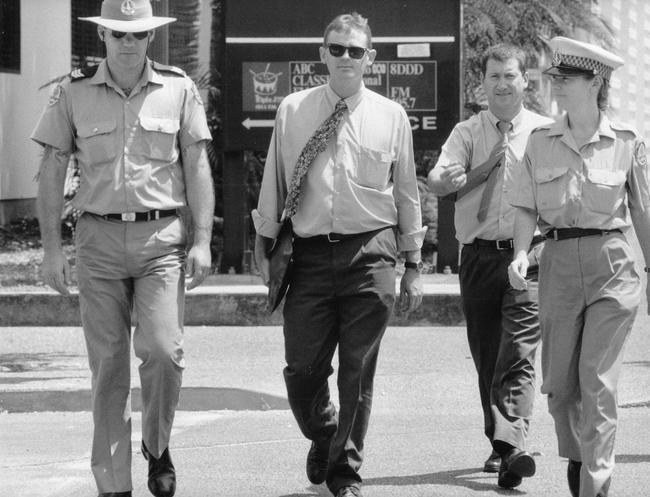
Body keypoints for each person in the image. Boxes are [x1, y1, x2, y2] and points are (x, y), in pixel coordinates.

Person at [31, 1, 214, 496]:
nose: (127, 43)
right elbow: (51, 170)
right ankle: (114, 485)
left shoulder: (178, 89)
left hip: (161, 243)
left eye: (136, 35)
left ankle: (157, 446)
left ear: (150, 38)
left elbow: (196, 164)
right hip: (98, 243)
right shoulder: (73, 92)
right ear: (103, 38)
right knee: (108, 366)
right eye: (118, 34)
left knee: (162, 351)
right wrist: (52, 251)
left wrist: (202, 241)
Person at [252, 12, 425, 497]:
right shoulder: (292, 109)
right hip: (307, 255)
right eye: (337, 48)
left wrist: (412, 264)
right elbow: (275, 180)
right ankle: (324, 432)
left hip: (370, 252)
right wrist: (264, 247)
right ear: (321, 54)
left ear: (370, 58)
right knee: (301, 369)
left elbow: (407, 192)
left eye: (355, 50)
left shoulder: (391, 116)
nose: (345, 57)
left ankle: (345, 471)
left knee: (357, 369)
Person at [508, 37, 650, 497]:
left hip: (613, 266)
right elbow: (527, 208)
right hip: (559, 266)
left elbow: (644, 216)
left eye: (565, 79)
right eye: (554, 78)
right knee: (561, 387)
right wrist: (520, 251)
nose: (556, 86)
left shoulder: (628, 143)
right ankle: (577, 454)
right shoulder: (539, 141)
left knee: (598, 382)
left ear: (595, 83)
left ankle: (596, 483)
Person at [428, 44, 553, 489]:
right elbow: (440, 177)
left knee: (517, 354)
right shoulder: (467, 132)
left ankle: (513, 446)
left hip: (530, 256)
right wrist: (445, 180)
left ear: (526, 82)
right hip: (478, 257)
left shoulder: (545, 132)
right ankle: (502, 444)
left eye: (511, 75)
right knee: (487, 357)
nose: (502, 83)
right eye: (494, 76)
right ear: (482, 84)